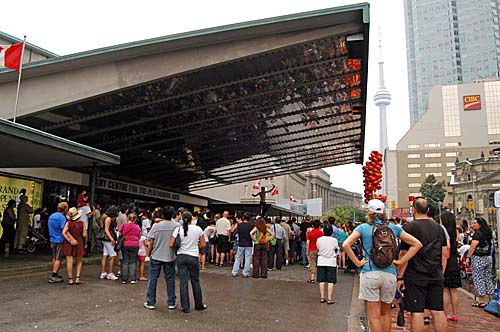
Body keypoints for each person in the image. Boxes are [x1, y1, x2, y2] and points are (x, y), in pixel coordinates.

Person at [343, 199, 422, 332]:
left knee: (373, 317)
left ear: (370, 212)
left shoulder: (363, 228)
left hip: (370, 272)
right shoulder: (394, 228)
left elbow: (346, 244)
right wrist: (400, 261)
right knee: (386, 313)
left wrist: (357, 263)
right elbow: (417, 244)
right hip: (390, 273)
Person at [398, 197, 448, 332]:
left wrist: (400, 276)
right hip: (436, 273)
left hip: (415, 274)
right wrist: (441, 271)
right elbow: (444, 253)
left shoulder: (409, 227)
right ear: (428, 210)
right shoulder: (439, 228)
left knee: (417, 311)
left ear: (414, 210)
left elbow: (404, 254)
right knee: (437, 310)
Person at [170, 211, 207, 313]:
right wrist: (195, 246)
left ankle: (185, 306)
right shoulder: (198, 229)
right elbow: (203, 244)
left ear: (182, 219)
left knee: (183, 282)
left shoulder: (178, 229)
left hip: (181, 256)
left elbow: (171, 244)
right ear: (192, 219)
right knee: (195, 281)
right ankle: (199, 304)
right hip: (193, 256)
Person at [144, 206, 180, 310]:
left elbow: (151, 240)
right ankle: (171, 302)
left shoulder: (156, 225)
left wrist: (147, 254)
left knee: (153, 279)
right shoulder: (177, 226)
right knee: (170, 279)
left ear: (163, 214)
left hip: (156, 255)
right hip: (170, 255)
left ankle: (151, 302)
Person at [466, 216, 495, 308]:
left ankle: (481, 300)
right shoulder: (488, 233)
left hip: (478, 258)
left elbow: (473, 246)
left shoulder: (477, 234)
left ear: (479, 224)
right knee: (488, 279)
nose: (473, 224)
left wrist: (468, 257)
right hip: (488, 258)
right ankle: (491, 299)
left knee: (479, 279)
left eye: (475, 223)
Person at [440, 211, 461, 322]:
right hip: (454, 261)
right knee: (454, 290)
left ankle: (445, 313)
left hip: (446, 260)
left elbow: (445, 247)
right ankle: (455, 314)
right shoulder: (455, 232)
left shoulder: (442, 231)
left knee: (445, 290)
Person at [62, 207, 87, 285]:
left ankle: (70, 279)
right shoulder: (82, 223)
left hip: (69, 243)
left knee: (69, 261)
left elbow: (63, 233)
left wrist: (70, 240)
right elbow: (84, 235)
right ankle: (77, 278)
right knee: (79, 261)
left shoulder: (68, 223)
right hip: (79, 242)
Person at [316, 223, 339, 304]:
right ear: (331, 231)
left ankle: (322, 297)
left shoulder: (319, 239)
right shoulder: (334, 240)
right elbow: (337, 250)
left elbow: (318, 248)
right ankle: (329, 298)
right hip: (331, 262)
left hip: (321, 261)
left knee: (321, 280)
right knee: (330, 281)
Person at [48, 202, 69, 283]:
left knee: (54, 257)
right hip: (59, 239)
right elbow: (64, 229)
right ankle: (54, 274)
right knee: (58, 258)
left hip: (52, 238)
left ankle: (55, 272)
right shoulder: (62, 218)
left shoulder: (52, 216)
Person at [118, 213, 141, 284]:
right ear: (135, 219)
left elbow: (120, 234)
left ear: (128, 218)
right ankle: (133, 279)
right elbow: (139, 236)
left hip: (125, 244)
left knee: (125, 261)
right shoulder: (137, 227)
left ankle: (124, 279)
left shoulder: (124, 225)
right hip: (135, 244)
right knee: (133, 261)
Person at [231, 213, 254, 277]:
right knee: (247, 258)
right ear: (249, 219)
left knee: (238, 258)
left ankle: (234, 272)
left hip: (240, 243)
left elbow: (233, 231)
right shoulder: (251, 225)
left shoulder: (239, 225)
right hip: (248, 243)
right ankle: (245, 273)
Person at [100, 207, 119, 280]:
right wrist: (112, 239)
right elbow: (106, 230)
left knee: (105, 254)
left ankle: (103, 272)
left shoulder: (107, 218)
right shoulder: (108, 219)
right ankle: (110, 273)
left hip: (106, 238)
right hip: (109, 238)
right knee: (113, 255)